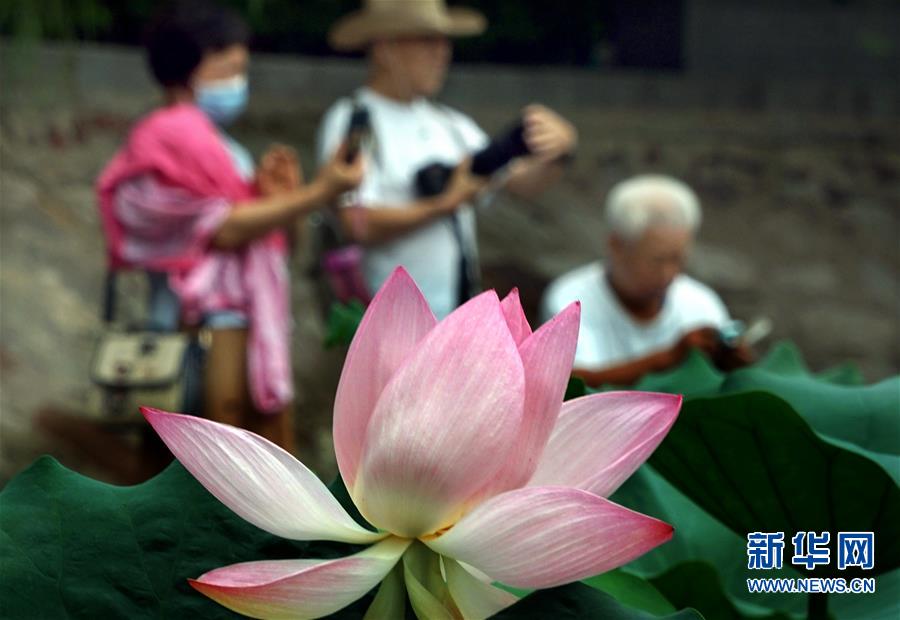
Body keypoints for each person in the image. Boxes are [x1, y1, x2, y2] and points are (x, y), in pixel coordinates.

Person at [96, 1, 362, 451]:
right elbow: (219, 229)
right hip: (197, 333)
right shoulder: (169, 134)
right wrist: (318, 193)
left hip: (249, 330)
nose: (240, 82)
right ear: (191, 65)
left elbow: (276, 247)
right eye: (231, 67)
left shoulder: (228, 150)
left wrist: (280, 198)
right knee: (209, 471)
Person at [317, 0, 578, 319]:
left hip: (453, 318)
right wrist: (445, 204)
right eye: (428, 40)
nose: (443, 53)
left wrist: (560, 150)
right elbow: (356, 223)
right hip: (385, 323)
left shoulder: (449, 124)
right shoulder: (353, 120)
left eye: (445, 41)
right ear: (385, 48)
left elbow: (520, 182)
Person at [541, 174, 753, 387]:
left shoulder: (701, 302)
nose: (668, 273)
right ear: (616, 246)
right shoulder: (571, 301)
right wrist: (670, 360)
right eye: (657, 261)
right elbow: (573, 384)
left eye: (677, 259)